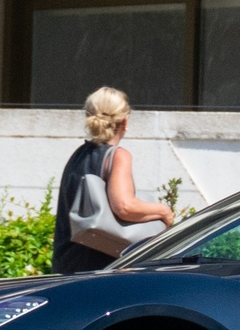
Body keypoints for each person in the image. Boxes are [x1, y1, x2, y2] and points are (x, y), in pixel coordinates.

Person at [50, 87, 177, 276]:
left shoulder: (78, 155)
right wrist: (163, 211)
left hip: (67, 264)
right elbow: (124, 207)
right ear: (125, 122)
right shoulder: (118, 156)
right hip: (99, 268)